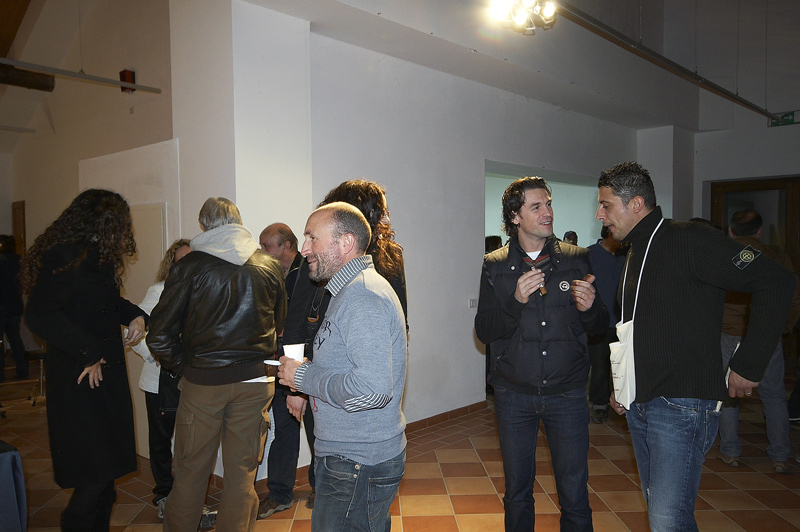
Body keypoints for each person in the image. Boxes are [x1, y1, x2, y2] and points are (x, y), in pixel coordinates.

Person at [597, 162, 794, 532]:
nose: (600, 215)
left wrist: (749, 363)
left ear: (636, 204)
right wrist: (622, 386)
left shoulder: (691, 239)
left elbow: (776, 280)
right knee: (662, 516)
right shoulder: (635, 251)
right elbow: (637, 329)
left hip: (681, 405)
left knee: (667, 521)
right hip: (642, 401)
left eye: (606, 205)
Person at [258, 179, 408, 519]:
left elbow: (371, 390)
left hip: (356, 459)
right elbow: (301, 325)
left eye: (313, 238)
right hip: (349, 450)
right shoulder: (346, 289)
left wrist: (302, 378)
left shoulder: (362, 296)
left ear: (346, 242)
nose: (304, 249)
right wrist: (300, 381)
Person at [475, 177, 608, 532]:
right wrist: (515, 301)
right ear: (515, 217)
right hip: (514, 395)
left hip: (567, 394)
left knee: (574, 493)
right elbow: (484, 330)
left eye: (548, 204)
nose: (547, 212)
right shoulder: (494, 264)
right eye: (536, 207)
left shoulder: (577, 259)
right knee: (517, 493)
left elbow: (600, 325)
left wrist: (590, 309)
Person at [147, 197, 287, 532]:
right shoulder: (268, 265)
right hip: (256, 383)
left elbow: (159, 334)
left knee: (191, 472)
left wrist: (185, 368)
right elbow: (278, 324)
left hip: (203, 385)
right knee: (242, 475)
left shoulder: (190, 266)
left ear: (205, 225)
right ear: (238, 222)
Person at [21, 189, 148, 532]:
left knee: (107, 475)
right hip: (80, 378)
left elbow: (105, 303)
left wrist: (136, 315)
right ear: (105, 222)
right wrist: (88, 351)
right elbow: (40, 314)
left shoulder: (96, 256)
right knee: (94, 474)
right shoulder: (64, 255)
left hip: (104, 377)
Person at [717, 209, 800, 473]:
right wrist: (782, 328)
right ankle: (780, 455)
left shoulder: (723, 254)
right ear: (760, 231)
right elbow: (793, 295)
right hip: (766, 334)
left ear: (731, 231)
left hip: (727, 332)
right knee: (774, 395)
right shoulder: (777, 256)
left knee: (728, 394)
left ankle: (730, 451)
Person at [130, 238, 191, 518]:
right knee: (160, 441)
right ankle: (164, 494)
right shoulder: (158, 291)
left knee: (191, 442)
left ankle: (187, 496)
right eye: (182, 260)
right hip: (158, 382)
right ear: (172, 264)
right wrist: (155, 355)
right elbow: (134, 332)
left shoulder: (202, 290)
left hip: (191, 382)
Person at [586, 226, 626, 423]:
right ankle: (600, 404)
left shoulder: (627, 255)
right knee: (600, 365)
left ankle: (623, 402)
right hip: (600, 322)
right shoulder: (589, 255)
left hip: (624, 323)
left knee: (624, 367)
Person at [0, 234, 27, 381]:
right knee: (15, 338)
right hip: (15, 304)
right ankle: (23, 370)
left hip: (1, 305)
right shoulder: (19, 261)